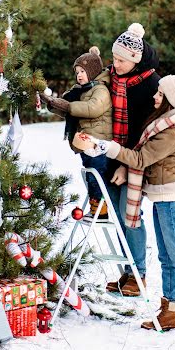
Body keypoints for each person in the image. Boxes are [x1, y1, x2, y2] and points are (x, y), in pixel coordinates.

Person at [74, 74, 175, 338]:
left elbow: (140, 158)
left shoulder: (174, 130)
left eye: (160, 94)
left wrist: (105, 147)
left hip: (171, 197)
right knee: (167, 257)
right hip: (160, 194)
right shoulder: (165, 121)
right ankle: (169, 311)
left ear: (171, 100)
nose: (155, 97)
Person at [105, 23, 160, 296]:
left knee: (131, 215)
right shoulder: (113, 77)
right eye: (113, 58)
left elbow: (147, 129)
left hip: (137, 159)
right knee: (116, 214)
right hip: (113, 152)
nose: (115, 64)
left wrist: (128, 166)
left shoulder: (150, 83)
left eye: (121, 60)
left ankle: (139, 274)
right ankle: (127, 272)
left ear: (135, 60)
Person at [41, 46, 112, 220]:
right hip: (85, 142)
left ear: (93, 71)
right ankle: (96, 207)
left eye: (83, 71)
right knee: (90, 175)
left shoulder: (100, 89)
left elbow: (92, 108)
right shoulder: (79, 91)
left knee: (97, 176)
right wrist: (52, 103)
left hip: (98, 142)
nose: (79, 75)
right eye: (77, 71)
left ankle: (101, 210)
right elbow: (67, 108)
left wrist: (68, 106)